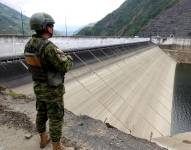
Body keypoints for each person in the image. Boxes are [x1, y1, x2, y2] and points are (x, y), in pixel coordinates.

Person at [24, 12, 73, 150]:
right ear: (46, 27)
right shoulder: (48, 47)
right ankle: (57, 147)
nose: (52, 28)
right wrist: (68, 58)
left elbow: (32, 66)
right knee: (56, 118)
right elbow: (64, 66)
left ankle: (43, 139)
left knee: (41, 113)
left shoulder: (28, 45)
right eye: (51, 25)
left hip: (38, 88)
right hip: (52, 90)